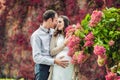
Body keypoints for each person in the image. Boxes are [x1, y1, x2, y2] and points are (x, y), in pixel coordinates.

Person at [30, 10, 69, 80]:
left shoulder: (53, 32)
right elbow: (36, 57)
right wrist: (54, 61)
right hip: (42, 68)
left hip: (54, 67)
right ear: (50, 20)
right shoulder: (36, 35)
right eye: (56, 20)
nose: (57, 23)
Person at [48, 15, 74, 80]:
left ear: (65, 23)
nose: (57, 24)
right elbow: (52, 52)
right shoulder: (55, 35)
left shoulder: (72, 34)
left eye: (60, 22)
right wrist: (64, 44)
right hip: (58, 66)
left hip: (70, 66)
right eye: (57, 22)